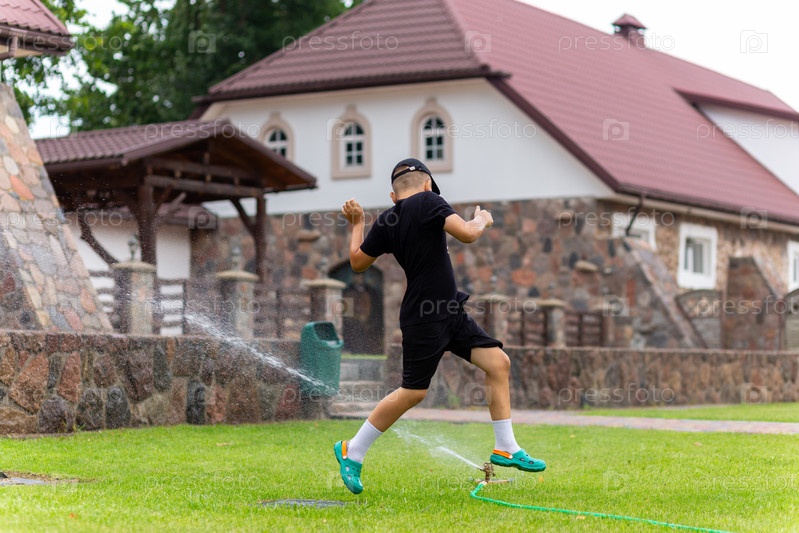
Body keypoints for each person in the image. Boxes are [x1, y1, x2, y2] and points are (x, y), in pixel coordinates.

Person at [334, 158, 545, 494]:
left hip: (448, 311)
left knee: (497, 362)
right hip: (426, 317)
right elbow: (468, 234)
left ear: (393, 196)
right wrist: (482, 219)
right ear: (428, 184)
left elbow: (357, 262)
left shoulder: (388, 218)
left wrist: (357, 222)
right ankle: (352, 450)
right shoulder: (430, 201)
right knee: (413, 391)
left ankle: (506, 446)